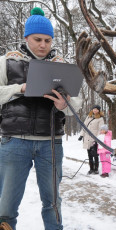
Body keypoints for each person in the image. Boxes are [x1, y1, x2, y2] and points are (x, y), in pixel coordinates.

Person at [0, 7, 82, 230]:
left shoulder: (63, 65)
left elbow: (78, 102)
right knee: (6, 206)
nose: (43, 45)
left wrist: (64, 105)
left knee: (53, 202)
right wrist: (20, 88)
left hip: (50, 143)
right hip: (14, 142)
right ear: (26, 37)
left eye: (48, 39)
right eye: (37, 39)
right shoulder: (7, 61)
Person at [78, 105, 104, 175]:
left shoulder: (100, 119)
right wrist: (81, 135)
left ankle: (96, 169)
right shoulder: (88, 117)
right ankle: (91, 169)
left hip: (94, 139)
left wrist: (97, 139)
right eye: (94, 109)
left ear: (99, 110)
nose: (95, 110)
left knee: (95, 154)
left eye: (96, 109)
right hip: (87, 138)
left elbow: (101, 129)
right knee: (89, 154)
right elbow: (84, 126)